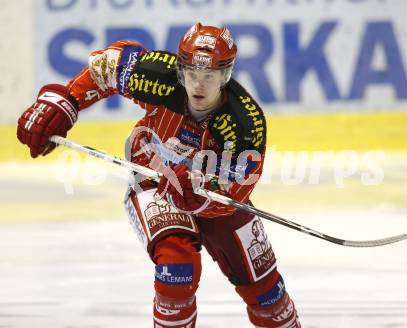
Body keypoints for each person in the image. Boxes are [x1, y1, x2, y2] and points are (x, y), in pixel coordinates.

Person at [17, 23, 301, 327]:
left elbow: (238, 190)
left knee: (267, 293)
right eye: (191, 74)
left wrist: (202, 193)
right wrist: (68, 101)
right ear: (180, 70)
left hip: (208, 196)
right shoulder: (159, 75)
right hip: (155, 180)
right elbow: (108, 65)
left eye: (209, 76)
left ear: (226, 76)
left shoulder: (245, 122)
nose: (198, 86)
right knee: (176, 273)